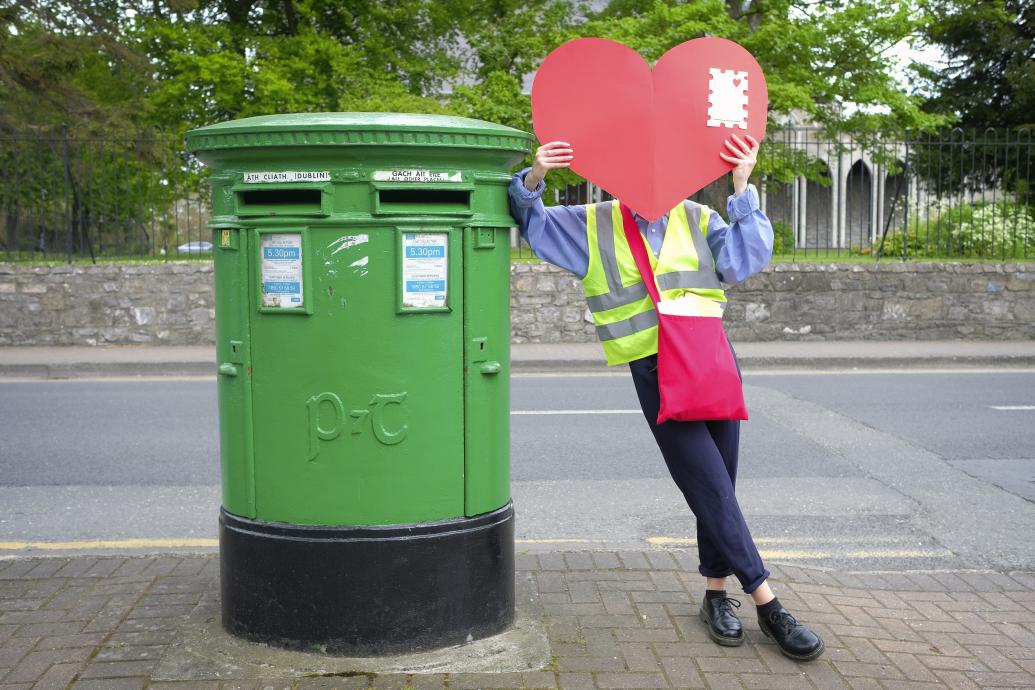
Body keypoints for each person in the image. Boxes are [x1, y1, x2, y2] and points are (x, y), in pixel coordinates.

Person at [508, 134, 825, 661]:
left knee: (718, 483)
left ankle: (715, 594)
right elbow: (533, 225)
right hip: (655, 371)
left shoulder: (700, 219)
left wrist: (742, 185)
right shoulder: (593, 223)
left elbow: (745, 260)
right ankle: (768, 602)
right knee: (710, 485)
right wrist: (536, 176)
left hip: (711, 360)